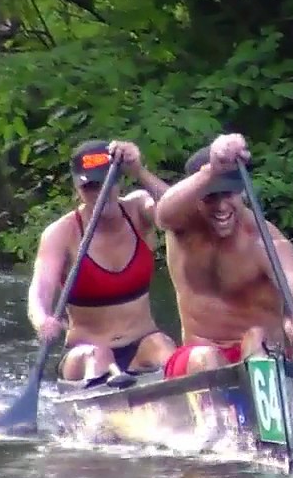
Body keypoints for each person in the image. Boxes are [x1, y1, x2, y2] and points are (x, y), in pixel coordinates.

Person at [154, 134, 293, 378]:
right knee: (205, 356)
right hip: (198, 359)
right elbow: (163, 214)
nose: (221, 206)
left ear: (242, 193)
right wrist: (211, 170)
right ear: (195, 198)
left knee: (256, 338)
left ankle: (266, 406)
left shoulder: (263, 240)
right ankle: (216, 413)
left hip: (262, 358)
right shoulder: (182, 228)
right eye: (211, 197)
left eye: (228, 195)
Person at [26, 139, 179, 388]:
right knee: (97, 356)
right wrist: (42, 320)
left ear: (119, 181)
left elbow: (179, 211)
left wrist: (138, 170)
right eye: (91, 187)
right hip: (85, 352)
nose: (101, 194)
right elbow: (40, 289)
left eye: (107, 183)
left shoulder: (140, 208)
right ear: (77, 189)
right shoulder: (61, 233)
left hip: (143, 344)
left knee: (162, 346)